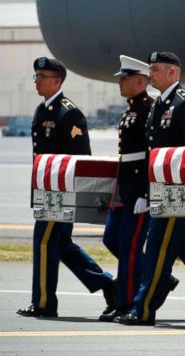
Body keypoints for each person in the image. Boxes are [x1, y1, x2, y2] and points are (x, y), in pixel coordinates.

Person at [117, 52, 185, 326]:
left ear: (173, 73)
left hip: (177, 193)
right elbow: (152, 155)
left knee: (157, 251)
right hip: (161, 191)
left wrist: (175, 191)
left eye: (156, 69)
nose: (150, 75)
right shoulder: (159, 105)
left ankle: (143, 309)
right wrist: (146, 192)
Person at [17, 57, 115, 318]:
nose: (36, 81)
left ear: (57, 81)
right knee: (62, 245)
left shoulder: (68, 112)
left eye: (42, 77)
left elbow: (82, 156)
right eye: (36, 76)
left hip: (61, 194)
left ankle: (44, 303)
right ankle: (109, 285)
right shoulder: (43, 109)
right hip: (46, 191)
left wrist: (72, 195)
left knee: (45, 243)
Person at [100, 56, 156, 322]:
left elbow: (150, 155)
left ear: (140, 81)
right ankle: (156, 276)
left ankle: (126, 303)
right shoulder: (132, 108)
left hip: (138, 187)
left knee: (129, 246)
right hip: (124, 186)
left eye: (124, 78)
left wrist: (146, 192)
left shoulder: (148, 109)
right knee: (112, 239)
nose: (119, 83)